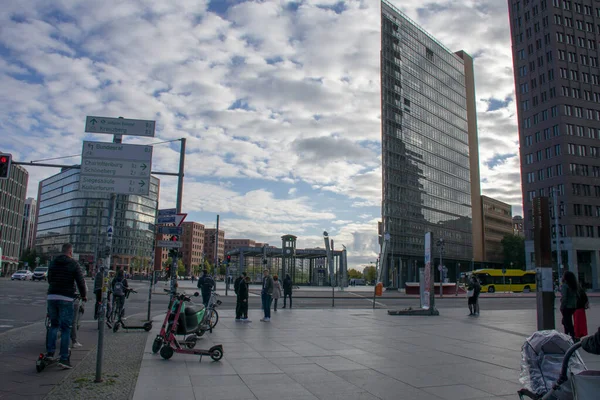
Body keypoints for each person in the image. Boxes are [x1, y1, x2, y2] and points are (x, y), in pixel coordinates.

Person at [46, 243, 87, 369]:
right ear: (70, 252)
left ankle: (50, 353)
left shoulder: (53, 262)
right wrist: (84, 295)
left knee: (54, 325)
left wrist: (54, 287)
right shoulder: (74, 264)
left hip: (52, 296)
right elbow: (80, 281)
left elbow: (49, 277)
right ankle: (64, 358)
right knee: (65, 328)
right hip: (66, 297)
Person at [560, 271, 579, 340]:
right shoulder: (573, 285)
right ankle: (569, 335)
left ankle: (571, 336)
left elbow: (564, 297)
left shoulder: (565, 286)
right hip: (573, 306)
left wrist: (562, 306)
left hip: (566, 306)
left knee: (567, 322)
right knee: (567, 321)